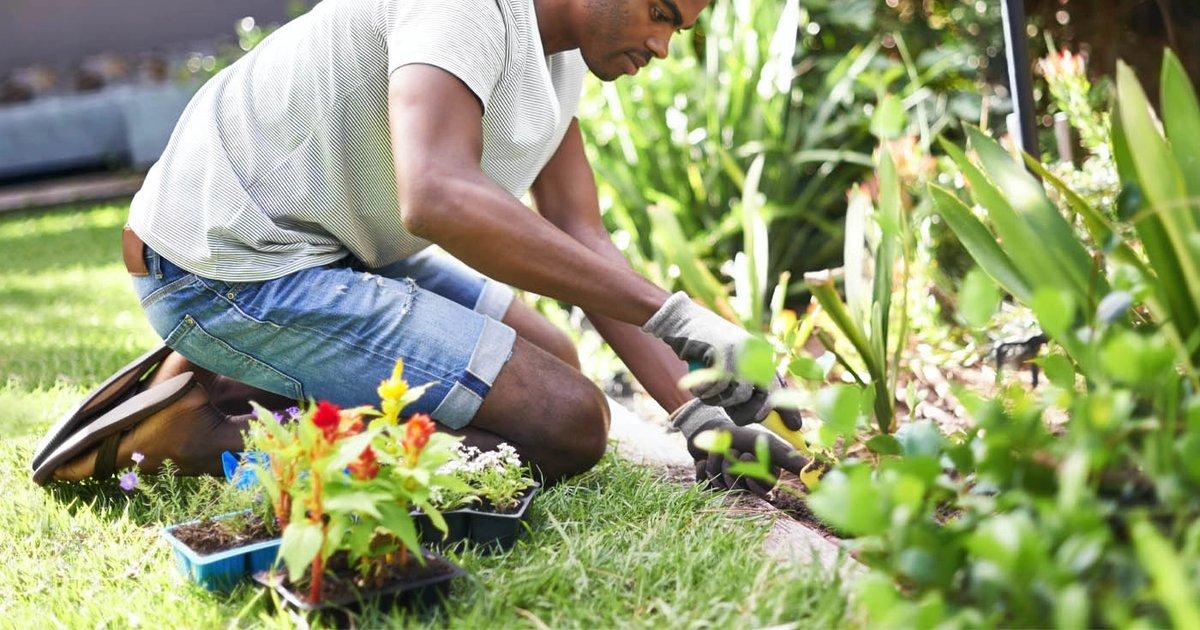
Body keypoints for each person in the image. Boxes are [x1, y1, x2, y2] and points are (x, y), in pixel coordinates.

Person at [31, 0, 806, 492]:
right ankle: (209, 437)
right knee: (568, 422)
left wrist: (693, 414)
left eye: (679, 27)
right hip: (227, 267)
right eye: (659, 12)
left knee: (555, 359)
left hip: (329, 250)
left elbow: (581, 234)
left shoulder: (558, 58)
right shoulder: (465, 8)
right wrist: (678, 316)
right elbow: (435, 195)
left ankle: (230, 379)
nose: (662, 45)